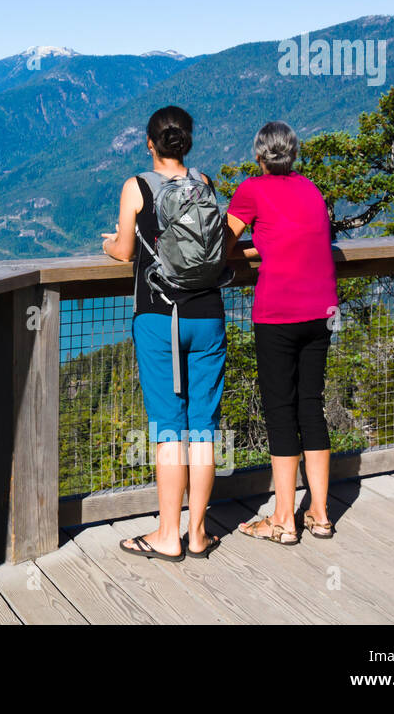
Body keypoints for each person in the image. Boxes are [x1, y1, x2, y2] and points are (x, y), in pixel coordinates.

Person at [104, 105, 226, 561]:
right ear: (187, 142)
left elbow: (124, 250)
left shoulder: (136, 187)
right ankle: (197, 534)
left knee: (169, 429)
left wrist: (107, 243)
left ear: (150, 143)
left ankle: (167, 535)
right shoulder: (206, 183)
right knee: (204, 428)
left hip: (159, 318)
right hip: (209, 314)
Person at [224, 121, 339, 544]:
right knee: (311, 405)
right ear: (293, 153)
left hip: (279, 312)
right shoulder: (311, 189)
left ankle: (283, 521)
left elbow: (222, 246)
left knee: (280, 411)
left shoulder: (252, 190)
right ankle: (321, 514)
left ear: (259, 155)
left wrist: (250, 246)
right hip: (322, 309)